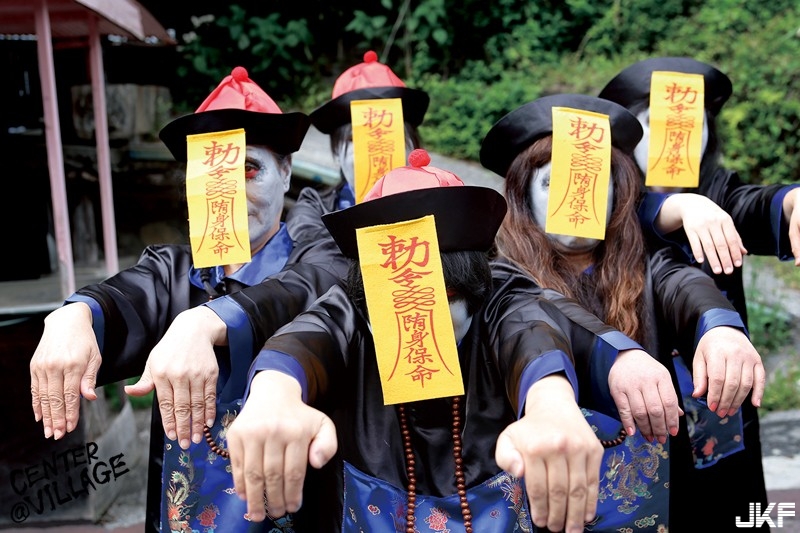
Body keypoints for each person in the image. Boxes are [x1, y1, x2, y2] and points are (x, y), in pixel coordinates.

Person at [225, 149, 685, 533]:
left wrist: (551, 401)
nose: (424, 318)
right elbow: (312, 332)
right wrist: (273, 391)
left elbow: (530, 326)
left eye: (446, 297)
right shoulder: (354, 303)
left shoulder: (502, 293)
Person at [28, 66, 344, 532]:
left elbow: (310, 287)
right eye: (212, 174)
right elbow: (128, 295)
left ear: (285, 171)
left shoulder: (319, 260)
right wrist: (75, 315)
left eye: (248, 169)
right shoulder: (175, 270)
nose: (230, 192)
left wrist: (207, 320)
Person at [479, 93, 766, 531]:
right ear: (522, 195)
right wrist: (607, 362)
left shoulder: (643, 262)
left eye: (594, 180)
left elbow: (683, 285)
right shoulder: (503, 276)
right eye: (553, 182)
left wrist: (719, 327)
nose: (577, 197)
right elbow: (531, 316)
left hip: (655, 491)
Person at [599, 57, 799, 531]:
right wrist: (678, 207)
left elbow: (759, 204)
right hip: (643, 415)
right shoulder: (605, 211)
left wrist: (793, 201)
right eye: (655, 123)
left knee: (738, 511)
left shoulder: (719, 192)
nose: (676, 136)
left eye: (693, 122)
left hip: (723, 406)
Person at [287, 49, 429, 243]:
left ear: (413, 147)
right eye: (356, 139)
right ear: (337, 152)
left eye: (391, 135)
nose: (373, 152)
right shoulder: (313, 211)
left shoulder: (440, 212)